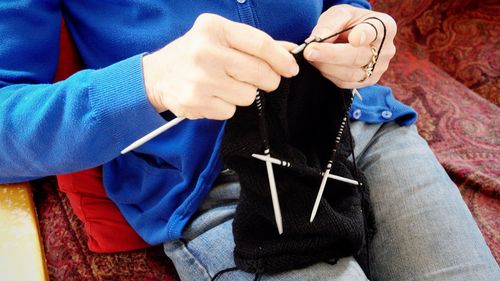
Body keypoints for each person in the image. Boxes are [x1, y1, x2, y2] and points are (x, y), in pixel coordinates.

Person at [0, 1, 498, 280]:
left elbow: (340, 6)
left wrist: (361, 23)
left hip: (363, 124)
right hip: (216, 177)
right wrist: (150, 82)